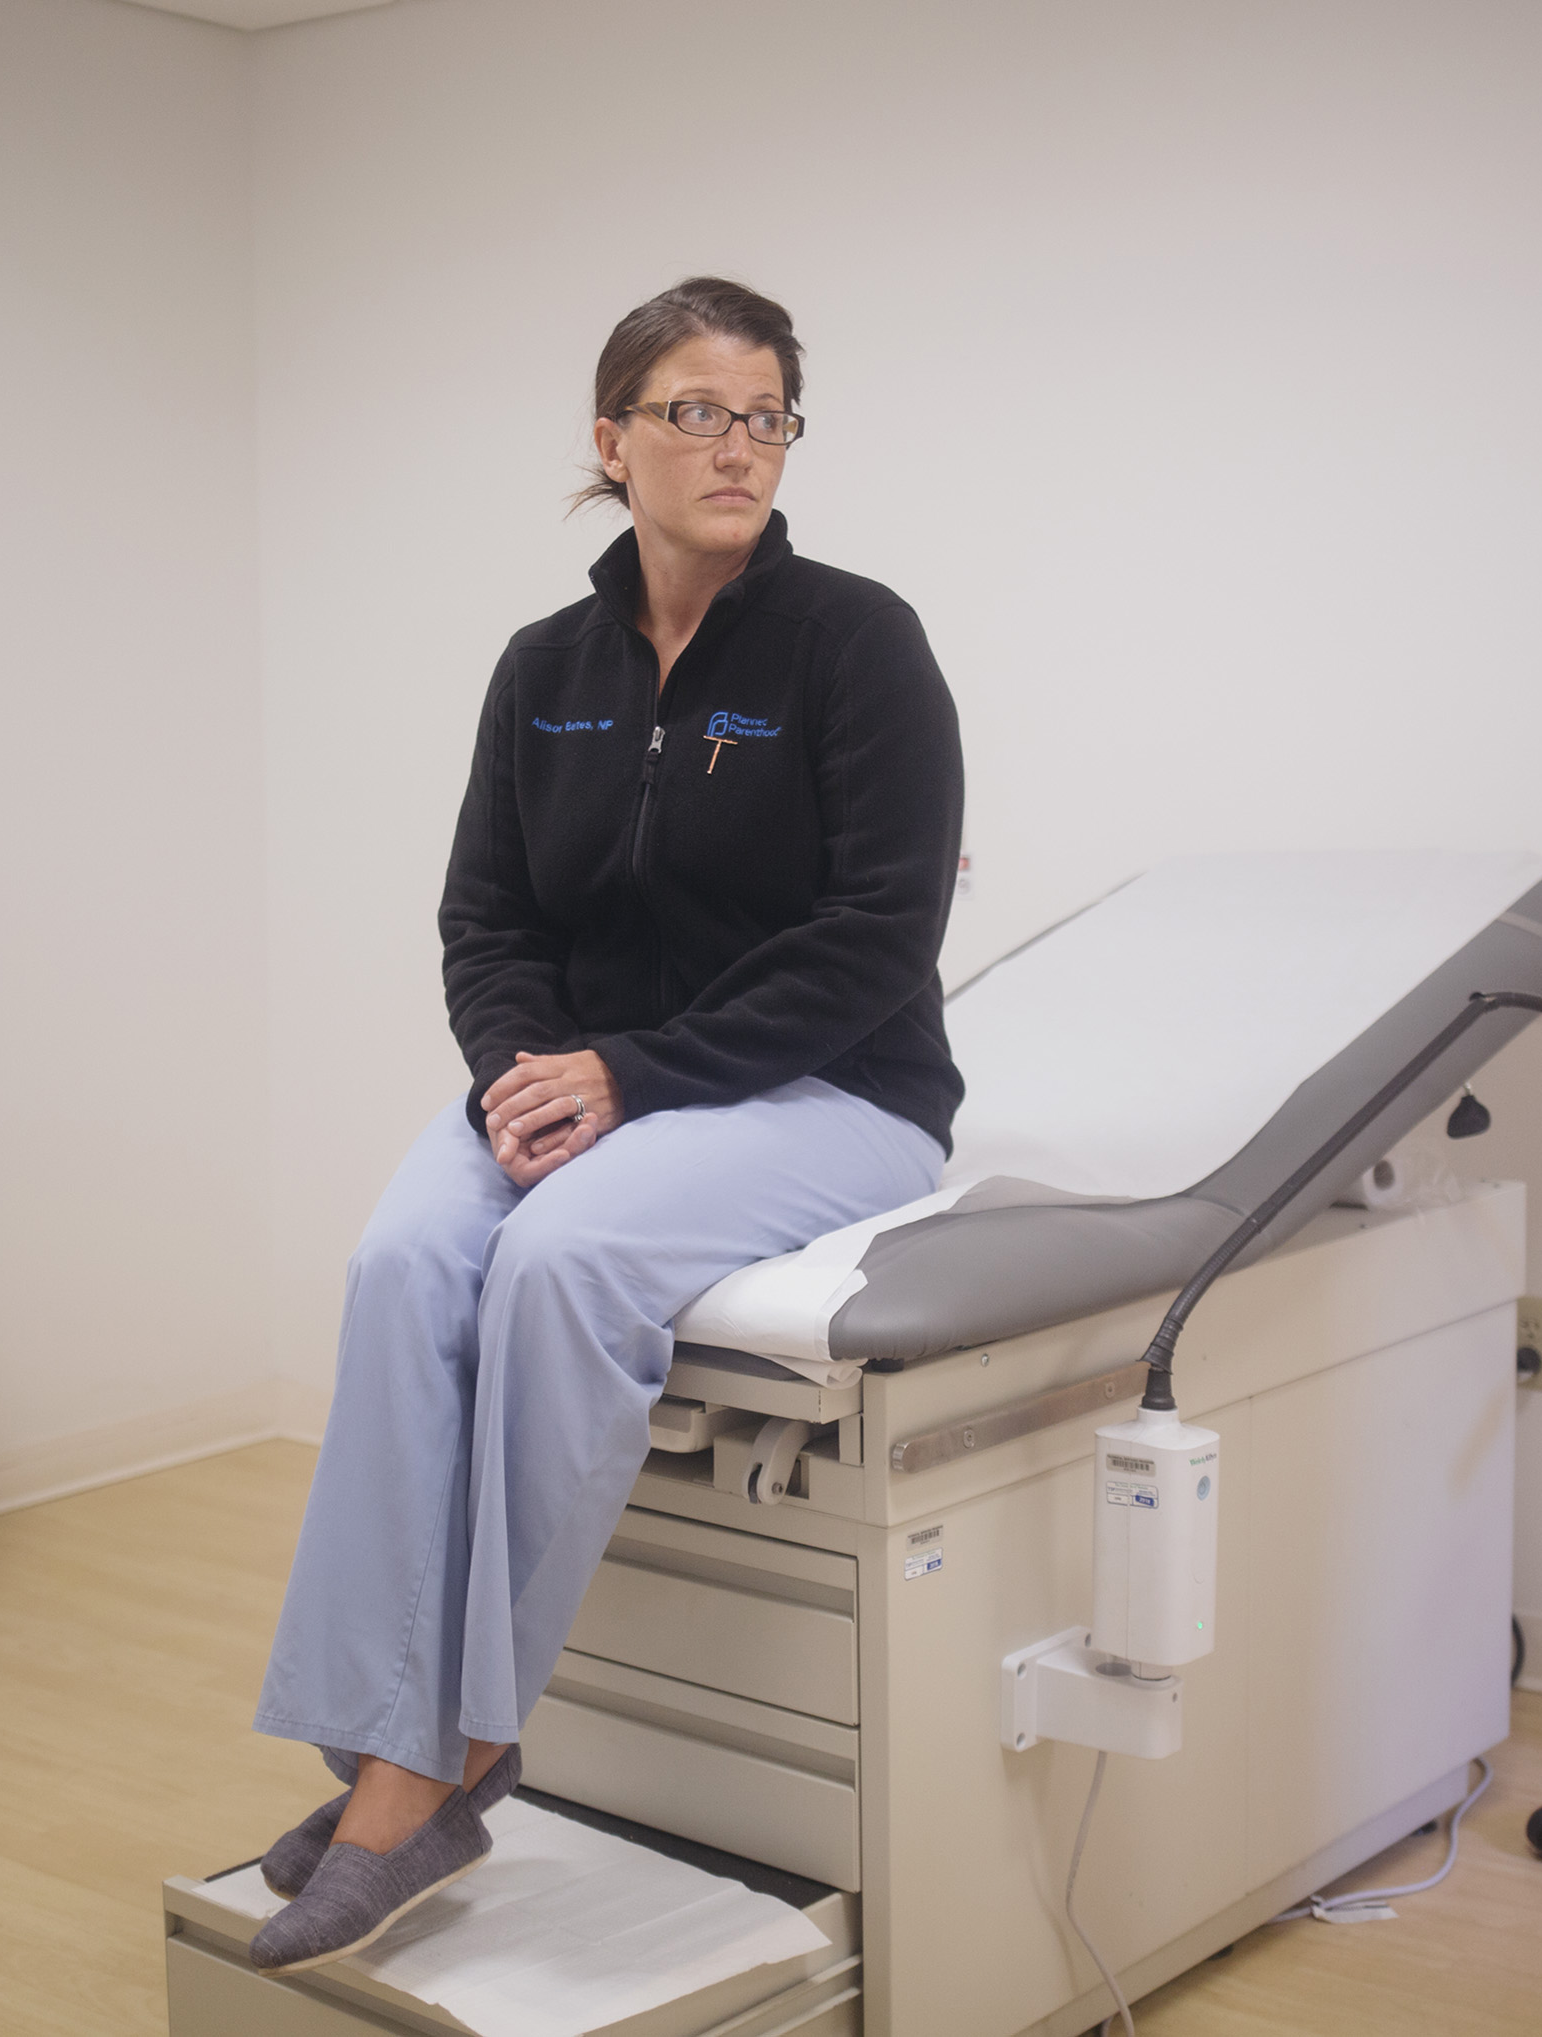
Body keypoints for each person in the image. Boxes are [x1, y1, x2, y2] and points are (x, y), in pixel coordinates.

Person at [244, 278, 965, 1972]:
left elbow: (877, 942)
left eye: (768, 413)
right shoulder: (544, 666)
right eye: (698, 411)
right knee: (409, 1254)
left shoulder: (856, 642)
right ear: (611, 438)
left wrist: (630, 1076)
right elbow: (485, 919)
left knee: (557, 1264)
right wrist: (520, 1068)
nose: (739, 445)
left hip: (833, 1088)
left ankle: (442, 1760)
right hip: (583, 1079)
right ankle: (384, 1733)